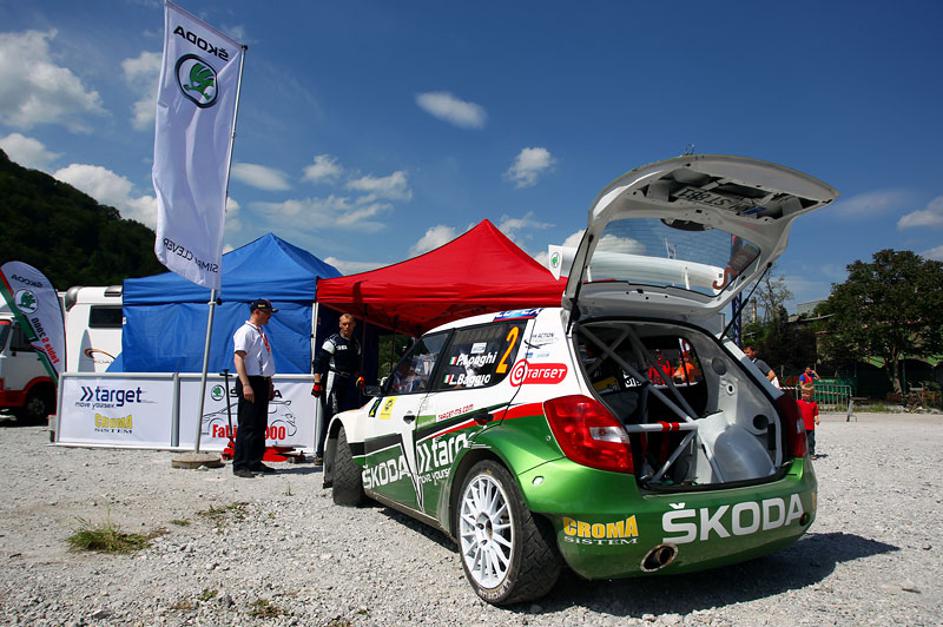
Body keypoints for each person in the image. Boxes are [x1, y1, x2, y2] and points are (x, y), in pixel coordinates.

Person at [232, 298, 278, 478]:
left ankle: (254, 460)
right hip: (250, 380)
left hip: (261, 381)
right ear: (256, 312)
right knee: (248, 424)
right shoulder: (245, 332)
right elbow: (239, 358)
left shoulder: (260, 332)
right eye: (267, 313)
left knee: (260, 424)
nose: (269, 317)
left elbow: (264, 360)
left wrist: (269, 383)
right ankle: (240, 464)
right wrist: (246, 384)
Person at [311, 313, 364, 465]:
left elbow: (357, 364)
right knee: (330, 417)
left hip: (349, 382)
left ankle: (344, 453)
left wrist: (359, 377)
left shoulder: (356, 343)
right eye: (344, 324)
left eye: (350, 324)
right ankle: (320, 454)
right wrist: (317, 382)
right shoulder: (332, 341)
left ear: (354, 325)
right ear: (340, 325)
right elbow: (319, 362)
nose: (347, 327)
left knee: (348, 416)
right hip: (333, 381)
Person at [797, 388, 820, 457]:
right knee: (801, 440)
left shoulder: (813, 404)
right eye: (802, 393)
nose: (804, 395)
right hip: (801, 426)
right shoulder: (798, 402)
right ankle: (800, 453)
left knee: (811, 440)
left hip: (810, 426)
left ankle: (811, 453)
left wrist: (817, 419)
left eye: (806, 393)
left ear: (811, 395)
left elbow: (815, 414)